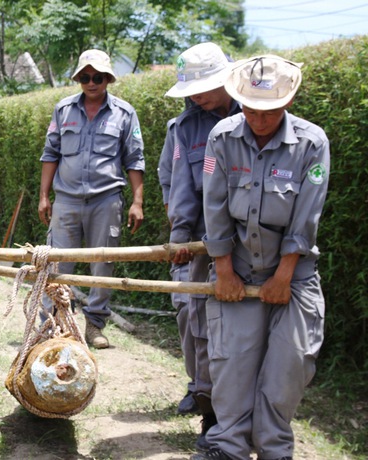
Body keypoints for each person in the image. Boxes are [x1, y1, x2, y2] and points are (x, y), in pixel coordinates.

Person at [192, 55, 329, 460]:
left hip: (293, 273)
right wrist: (223, 271)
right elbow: (213, 204)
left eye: (268, 111)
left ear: (286, 103)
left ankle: (273, 449)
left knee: (288, 369)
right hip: (236, 267)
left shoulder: (312, 143)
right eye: (249, 109)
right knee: (232, 366)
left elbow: (307, 215)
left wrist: (284, 275)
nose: (258, 119)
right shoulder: (222, 138)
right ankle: (228, 448)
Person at [38, 49, 145, 349]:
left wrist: (137, 202)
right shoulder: (63, 110)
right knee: (57, 263)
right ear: (78, 79)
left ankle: (95, 326)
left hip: (106, 200)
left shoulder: (125, 113)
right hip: (67, 200)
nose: (91, 82)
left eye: (97, 77)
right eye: (85, 77)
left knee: (103, 264)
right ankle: (53, 325)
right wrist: (44, 196)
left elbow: (135, 159)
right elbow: (51, 154)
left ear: (108, 79)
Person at [164, 42, 241, 450]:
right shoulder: (185, 127)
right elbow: (180, 186)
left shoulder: (255, 114)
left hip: (249, 243)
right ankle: (210, 412)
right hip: (201, 241)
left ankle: (238, 416)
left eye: (204, 87)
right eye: (191, 89)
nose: (197, 96)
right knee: (199, 324)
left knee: (239, 330)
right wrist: (180, 240)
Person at [157, 117, 197, 416]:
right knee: (186, 307)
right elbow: (170, 182)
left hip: (237, 244)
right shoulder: (180, 128)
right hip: (189, 237)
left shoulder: (244, 121)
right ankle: (199, 388)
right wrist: (179, 231)